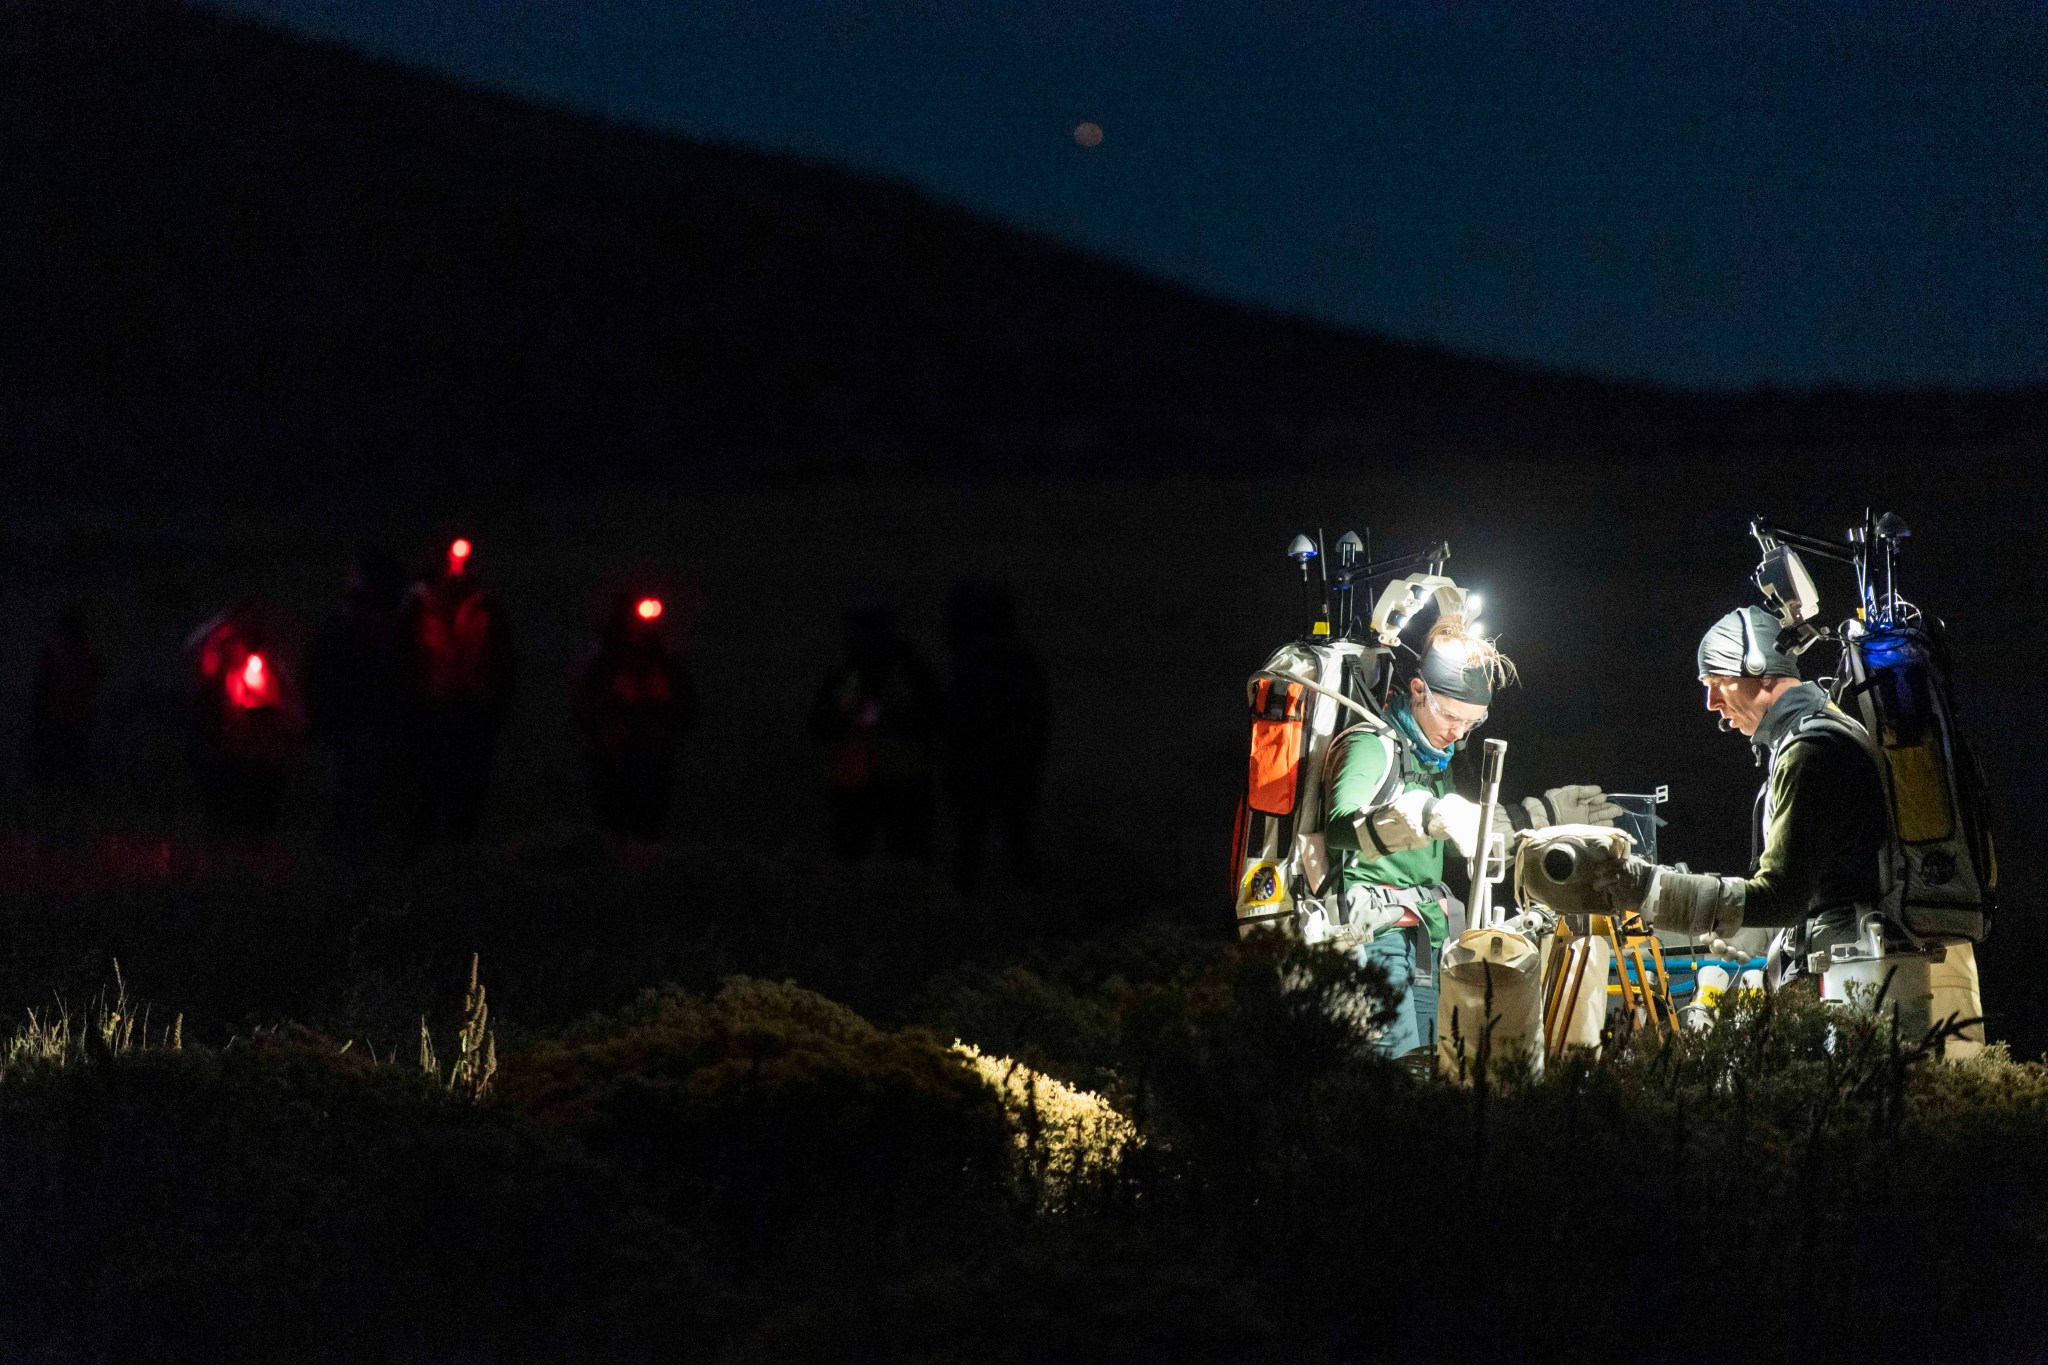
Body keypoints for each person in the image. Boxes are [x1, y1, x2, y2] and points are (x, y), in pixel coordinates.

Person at [1322, 617, 1620, 1056]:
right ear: (1419, 690)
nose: (1459, 732)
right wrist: (1422, 814)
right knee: (1393, 1072)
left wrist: (1541, 815)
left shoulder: (1431, 759)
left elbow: (1461, 826)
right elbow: (1338, 825)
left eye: (1472, 722)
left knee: (1434, 1069)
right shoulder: (1372, 744)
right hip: (1376, 941)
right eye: (1452, 716)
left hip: (1428, 937)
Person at [1602, 606, 1889, 980]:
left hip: (1852, 971)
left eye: (1716, 683)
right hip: (1854, 954)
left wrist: (1648, 889)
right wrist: (1759, 928)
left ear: (1757, 666)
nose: (1711, 704)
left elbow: (1781, 897)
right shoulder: (1821, 732)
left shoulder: (1810, 751)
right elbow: (1820, 884)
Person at [394, 540, 516, 846]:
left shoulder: (485, 607)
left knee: (469, 788)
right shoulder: (416, 607)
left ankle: (460, 852)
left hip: (473, 710)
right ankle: (420, 854)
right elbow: (400, 659)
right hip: (427, 710)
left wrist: (494, 707)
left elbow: (503, 660)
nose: (456, 568)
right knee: (423, 785)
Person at [806, 600, 940, 862]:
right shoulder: (846, 674)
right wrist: (846, 720)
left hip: (904, 787)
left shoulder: (910, 671)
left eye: (866, 627)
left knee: (903, 865)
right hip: (854, 788)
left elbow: (934, 720)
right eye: (856, 627)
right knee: (853, 864)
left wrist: (885, 718)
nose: (857, 635)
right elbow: (817, 725)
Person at [942, 581, 1049, 893]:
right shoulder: (1019, 660)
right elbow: (1037, 720)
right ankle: (1026, 904)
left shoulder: (977, 661)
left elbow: (961, 720)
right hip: (1010, 768)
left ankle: (974, 906)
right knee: (1013, 842)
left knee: (976, 845)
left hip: (986, 769)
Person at [573, 593, 697, 843]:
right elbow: (584, 706)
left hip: (654, 757)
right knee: (614, 830)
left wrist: (670, 730)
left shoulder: (664, 662)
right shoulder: (603, 661)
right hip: (612, 758)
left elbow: (685, 704)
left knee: (648, 830)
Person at [309, 549, 407, 856]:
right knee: (352, 788)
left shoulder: (396, 631)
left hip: (383, 722)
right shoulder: (338, 631)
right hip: (351, 723)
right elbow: (324, 679)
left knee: (383, 786)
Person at [181, 602, 305, 838]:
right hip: (226, 757)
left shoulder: (274, 669)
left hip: (264, 760)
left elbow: (294, 717)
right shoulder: (216, 670)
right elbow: (190, 656)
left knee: (259, 822)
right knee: (224, 820)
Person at [28, 603, 101, 790]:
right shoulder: (86, 651)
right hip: (75, 713)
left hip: (61, 712)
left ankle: (55, 796)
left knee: (57, 760)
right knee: (71, 759)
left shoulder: (58, 650)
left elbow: (43, 682)